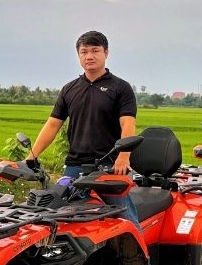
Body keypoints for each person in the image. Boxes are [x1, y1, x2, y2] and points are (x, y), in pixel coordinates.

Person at [25, 30, 139, 223]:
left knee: (123, 215)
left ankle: (141, 253)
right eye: (84, 52)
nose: (89, 56)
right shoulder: (69, 89)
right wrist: (32, 156)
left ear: (106, 53)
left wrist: (124, 156)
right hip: (75, 165)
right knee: (61, 215)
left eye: (95, 51)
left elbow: (127, 122)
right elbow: (53, 124)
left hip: (109, 165)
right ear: (78, 55)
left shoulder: (120, 88)